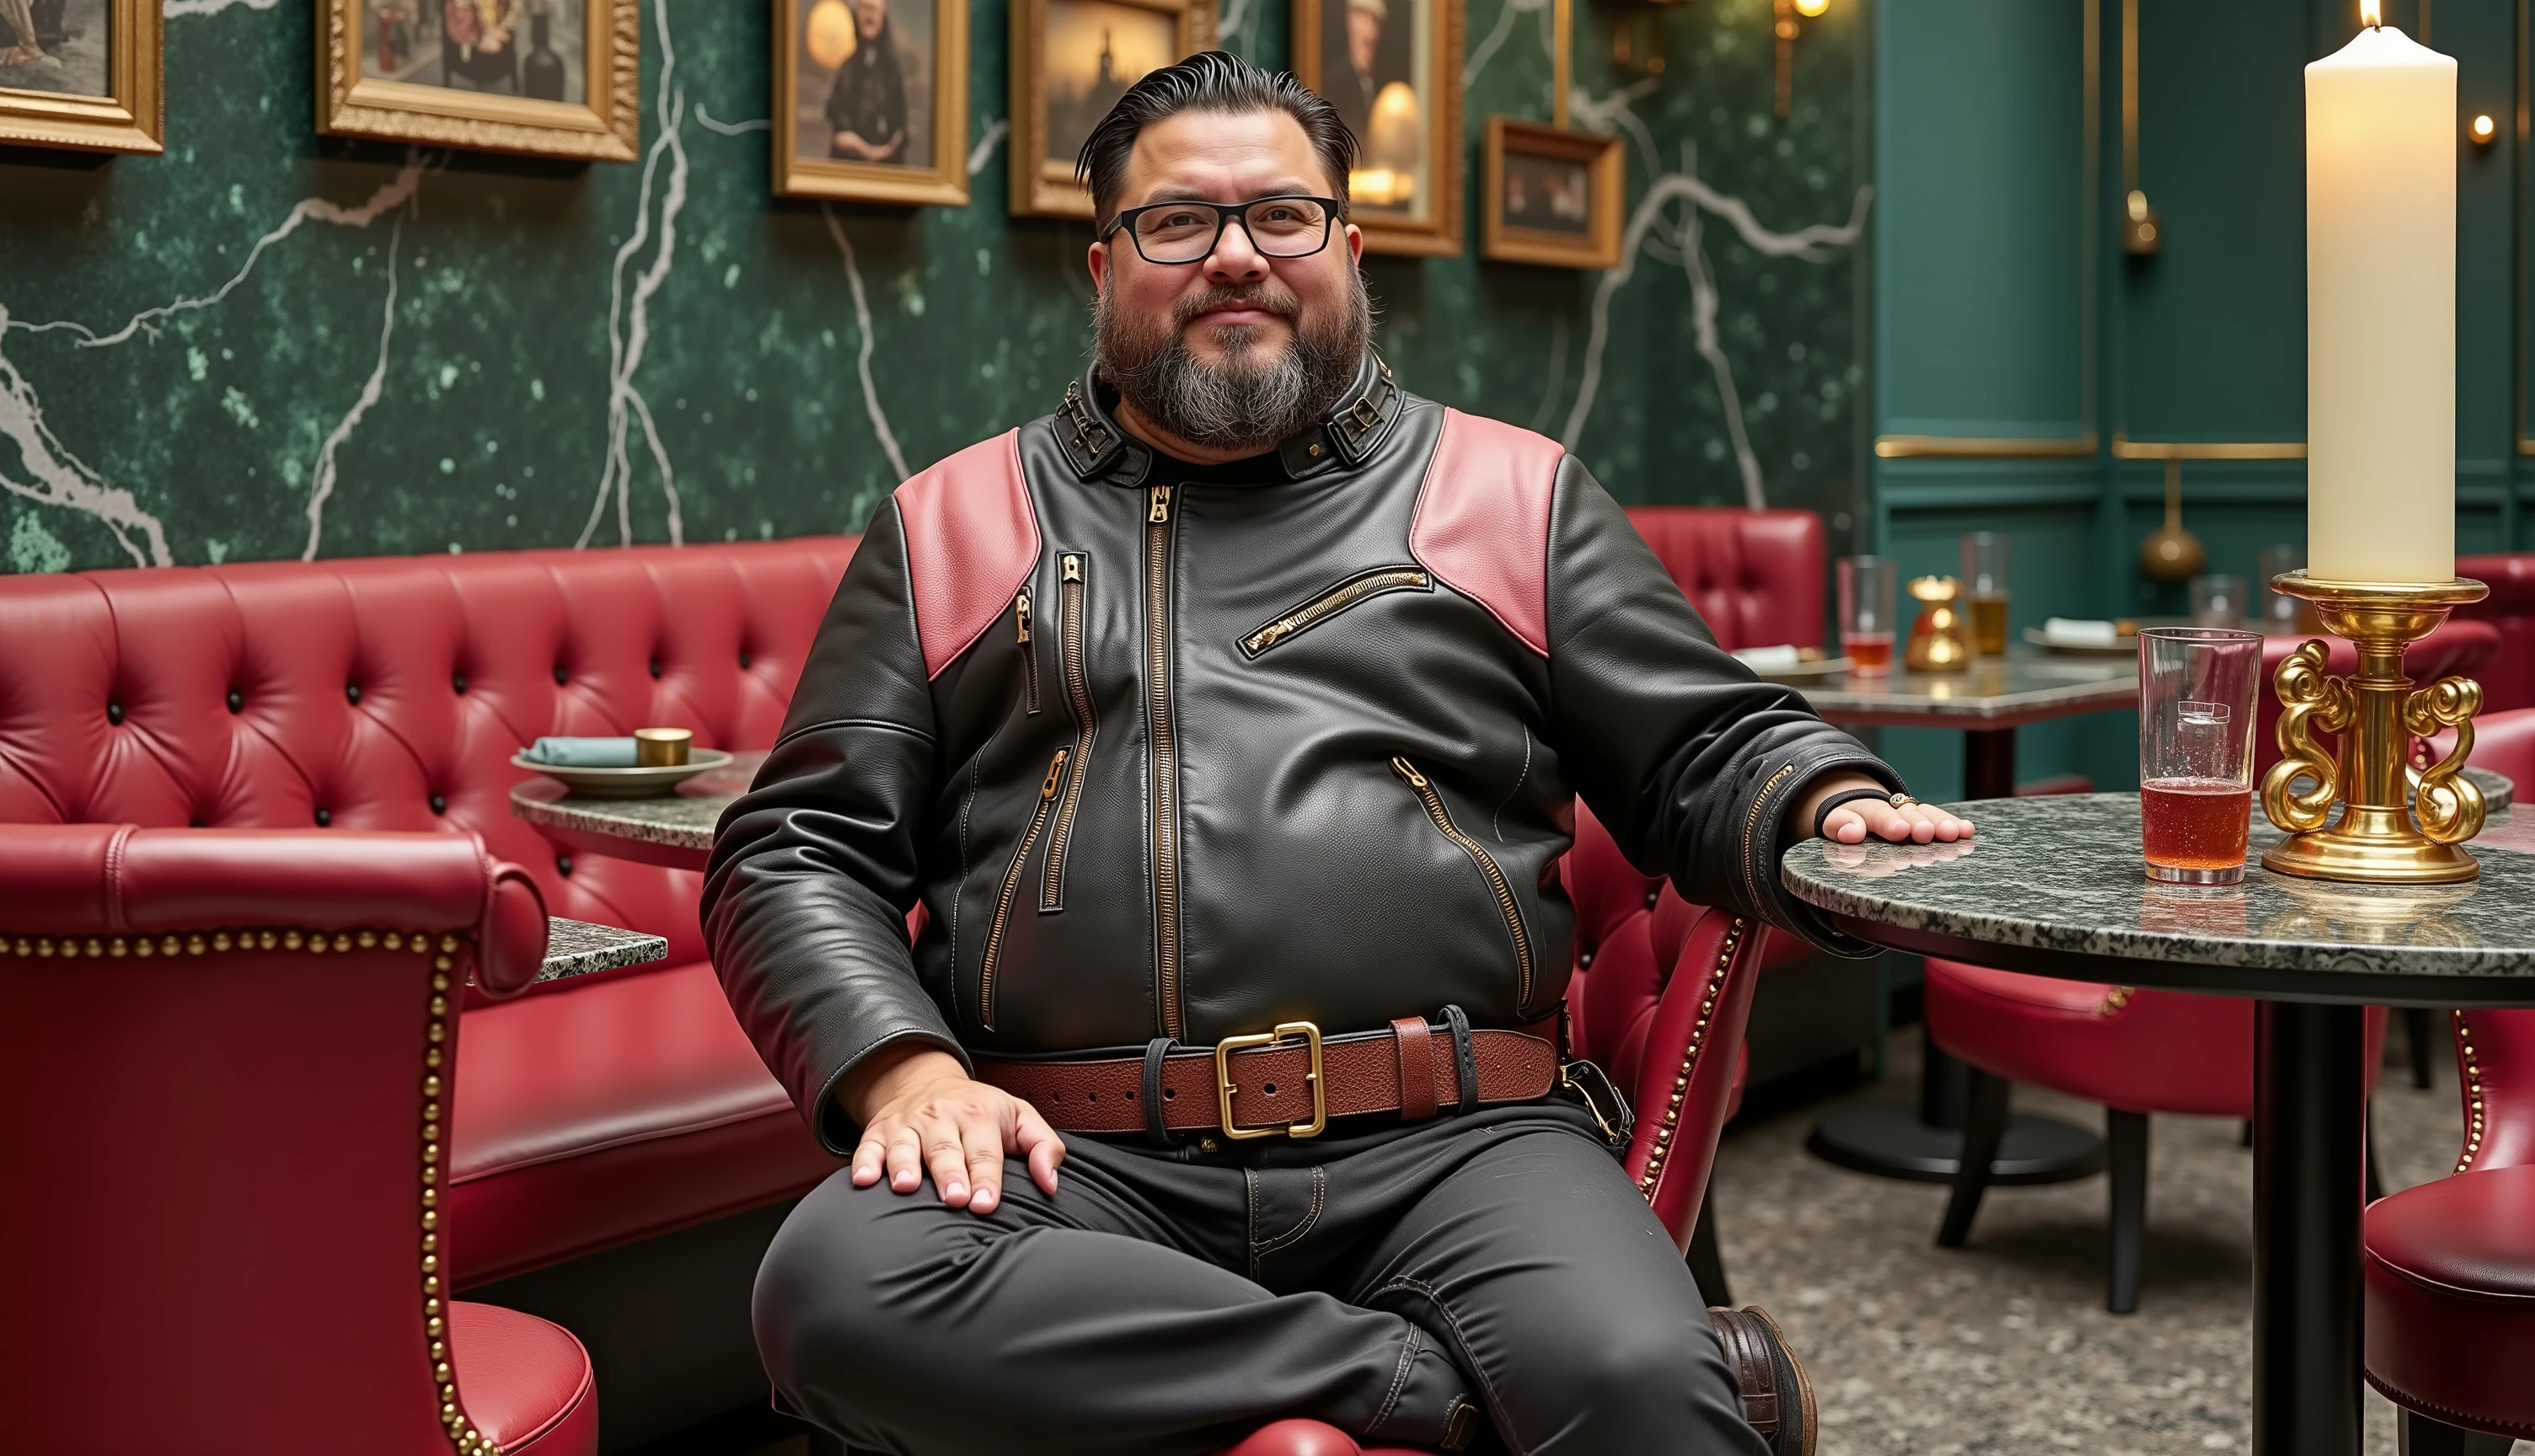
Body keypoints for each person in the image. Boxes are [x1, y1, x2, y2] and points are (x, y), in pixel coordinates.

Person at [705, 51, 1972, 1456]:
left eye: (1281, 217)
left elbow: (1706, 743)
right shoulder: (951, 524)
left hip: (1458, 1137)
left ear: (1348, 248)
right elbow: (794, 846)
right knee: (833, 1287)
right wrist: (903, 1071)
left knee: (1634, 1378)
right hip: (1075, 1157)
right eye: (1177, 221)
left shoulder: (1511, 494)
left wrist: (1822, 794)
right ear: (1103, 263)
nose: (1235, 257)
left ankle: (1537, 1371)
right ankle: (1433, 1389)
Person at [824, 0, 907, 165]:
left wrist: (880, 152)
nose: (869, 16)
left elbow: (900, 125)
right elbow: (836, 115)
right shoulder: (847, 68)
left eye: (874, 10)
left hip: (885, 167)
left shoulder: (892, 71)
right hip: (848, 165)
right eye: (864, 9)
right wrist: (856, 145)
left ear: (883, 18)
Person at [1319, 0, 1388, 149]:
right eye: (1362, 18)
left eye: (1375, 21)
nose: (1371, 33)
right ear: (1349, 20)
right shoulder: (1333, 83)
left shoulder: (1383, 85)